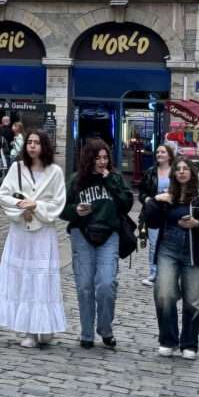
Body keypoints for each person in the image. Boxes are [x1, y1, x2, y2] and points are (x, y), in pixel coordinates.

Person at [0, 129, 67, 349]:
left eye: (36, 142)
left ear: (44, 146)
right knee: (22, 278)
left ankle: (44, 325)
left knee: (40, 279)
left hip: (42, 233)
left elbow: (58, 202)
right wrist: (22, 207)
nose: (32, 146)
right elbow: (4, 195)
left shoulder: (55, 172)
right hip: (21, 231)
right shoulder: (17, 168)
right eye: (29, 142)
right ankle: (27, 329)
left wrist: (37, 206)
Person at [62, 137, 132, 351]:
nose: (102, 162)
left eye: (105, 157)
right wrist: (76, 211)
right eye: (98, 158)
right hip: (82, 233)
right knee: (84, 286)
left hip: (109, 234)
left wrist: (110, 180)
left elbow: (127, 203)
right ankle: (86, 333)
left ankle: (105, 328)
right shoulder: (76, 181)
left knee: (106, 284)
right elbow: (62, 208)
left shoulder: (115, 178)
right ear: (89, 159)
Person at [151, 161, 199, 360]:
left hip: (196, 252)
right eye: (178, 169)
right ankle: (168, 339)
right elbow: (151, 220)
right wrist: (157, 201)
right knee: (164, 293)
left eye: (185, 169)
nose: (182, 172)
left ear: (192, 173)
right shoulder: (168, 196)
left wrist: (198, 223)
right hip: (169, 248)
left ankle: (189, 342)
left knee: (193, 300)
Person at [139, 144, 175, 287]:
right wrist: (147, 199)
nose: (159, 154)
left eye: (163, 152)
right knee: (154, 243)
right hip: (154, 211)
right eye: (158, 152)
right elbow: (142, 192)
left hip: (171, 212)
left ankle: (170, 273)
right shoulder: (151, 172)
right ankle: (154, 273)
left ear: (170, 155)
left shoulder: (176, 171)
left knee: (170, 243)